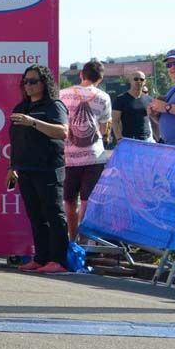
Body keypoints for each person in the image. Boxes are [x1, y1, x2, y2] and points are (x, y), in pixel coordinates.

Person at [8, 65, 71, 273]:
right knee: (35, 216)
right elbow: (16, 140)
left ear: (44, 83)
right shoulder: (21, 107)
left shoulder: (54, 105)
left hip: (49, 168)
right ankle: (41, 258)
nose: (28, 85)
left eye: (33, 81)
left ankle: (59, 260)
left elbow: (62, 132)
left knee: (54, 214)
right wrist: (12, 167)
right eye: (25, 81)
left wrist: (33, 122)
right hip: (26, 169)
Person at [59, 60, 111, 242]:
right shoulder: (104, 97)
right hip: (94, 155)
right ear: (101, 78)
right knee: (88, 199)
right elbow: (105, 128)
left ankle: (71, 237)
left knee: (69, 199)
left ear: (81, 74)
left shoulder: (62, 94)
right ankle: (84, 238)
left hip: (68, 156)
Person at [111, 71, 157, 143]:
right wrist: (119, 139)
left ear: (144, 82)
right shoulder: (120, 99)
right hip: (129, 140)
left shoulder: (149, 100)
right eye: (136, 79)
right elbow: (115, 121)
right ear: (130, 81)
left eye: (141, 79)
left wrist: (158, 138)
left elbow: (154, 121)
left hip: (147, 140)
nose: (138, 81)